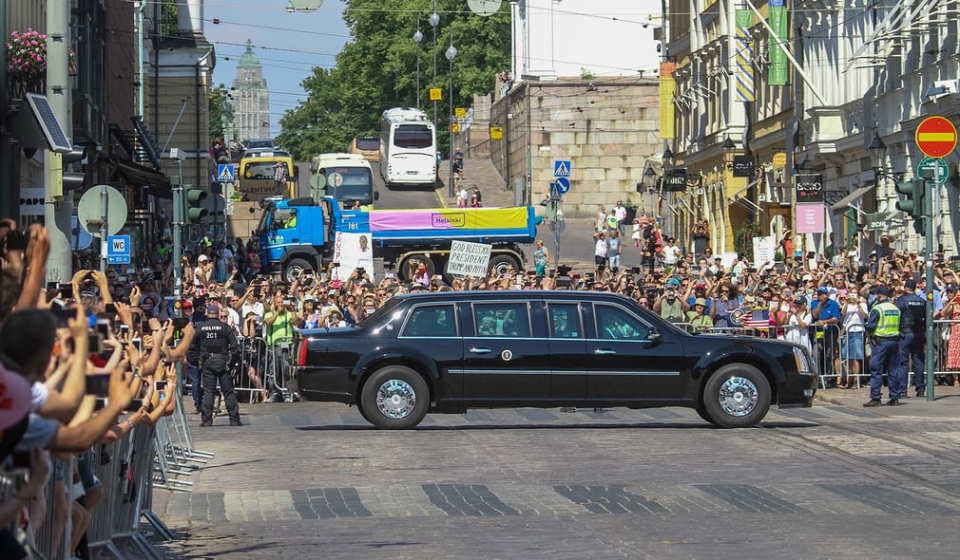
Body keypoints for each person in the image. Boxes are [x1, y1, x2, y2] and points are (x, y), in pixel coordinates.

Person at [194, 303, 241, 426]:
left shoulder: (201, 328)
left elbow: (192, 347)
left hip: (207, 361)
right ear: (218, 314)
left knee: (209, 391)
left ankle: (206, 421)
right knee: (228, 391)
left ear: (207, 313)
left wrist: (197, 360)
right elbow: (235, 346)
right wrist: (231, 362)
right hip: (223, 361)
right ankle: (234, 419)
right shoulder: (224, 327)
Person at [863, 285, 903, 407]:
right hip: (895, 342)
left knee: (876, 369)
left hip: (881, 342)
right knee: (893, 370)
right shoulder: (895, 308)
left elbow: (871, 326)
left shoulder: (877, 308)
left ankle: (876, 398)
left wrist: (865, 326)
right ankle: (894, 397)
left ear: (879, 295)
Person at [896, 279, 927, 397]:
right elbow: (927, 317)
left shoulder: (902, 300)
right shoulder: (922, 301)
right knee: (918, 361)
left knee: (903, 362)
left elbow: (897, 315)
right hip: (919, 333)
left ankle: (903, 390)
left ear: (905, 287)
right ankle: (920, 389)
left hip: (905, 334)